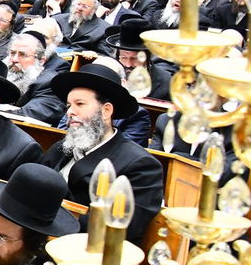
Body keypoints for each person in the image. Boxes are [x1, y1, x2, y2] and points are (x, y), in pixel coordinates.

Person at [44, 64, 164, 244]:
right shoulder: (60, 149)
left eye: (80, 104)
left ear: (106, 111)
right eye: (69, 105)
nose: (70, 112)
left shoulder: (140, 165)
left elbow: (120, 228)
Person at [4, 31, 65, 122]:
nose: (14, 60)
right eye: (12, 53)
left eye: (23, 55)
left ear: (41, 60)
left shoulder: (51, 83)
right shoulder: (4, 76)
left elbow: (31, 115)